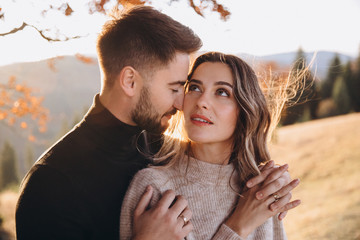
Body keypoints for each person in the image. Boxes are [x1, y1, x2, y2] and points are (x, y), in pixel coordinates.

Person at [16, 6, 295, 240]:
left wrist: (269, 179)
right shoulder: (51, 185)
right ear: (130, 81)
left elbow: (212, 169)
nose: (181, 103)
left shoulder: (161, 147)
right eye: (176, 88)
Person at [120, 52, 301, 240]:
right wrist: (238, 228)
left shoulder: (261, 190)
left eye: (222, 92)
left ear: (245, 111)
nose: (201, 102)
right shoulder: (155, 187)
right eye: (195, 88)